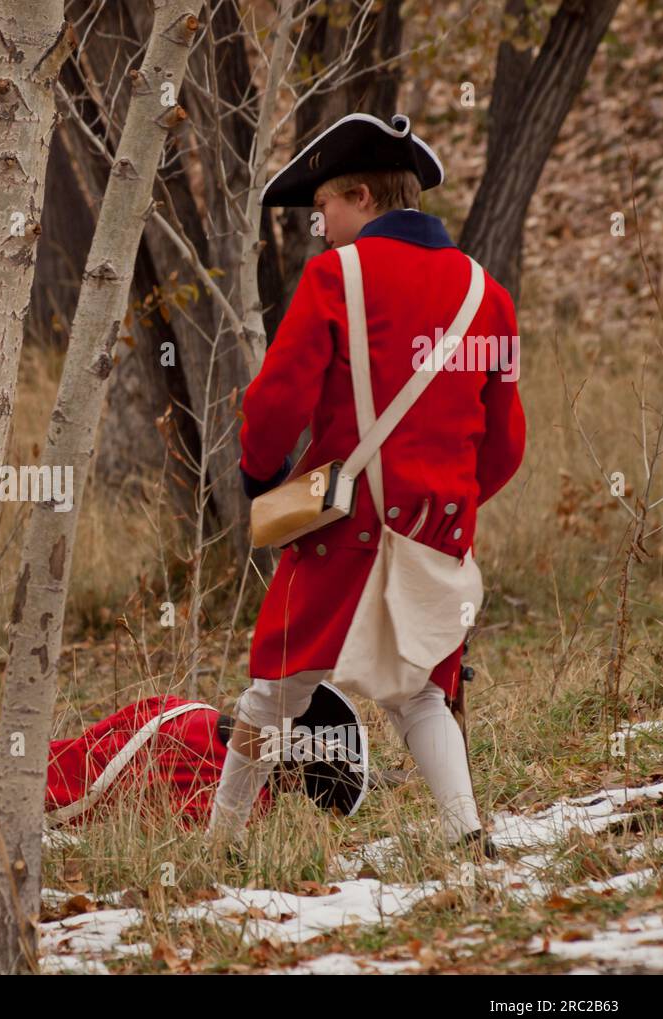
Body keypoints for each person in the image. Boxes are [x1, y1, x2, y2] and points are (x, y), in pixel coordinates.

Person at [207, 114, 526, 860]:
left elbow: (274, 402)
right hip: (438, 524)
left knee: (273, 689)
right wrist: (450, 501)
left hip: (343, 515)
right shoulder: (490, 294)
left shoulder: (335, 278)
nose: (321, 231)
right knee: (420, 691)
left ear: (361, 194)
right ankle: (467, 834)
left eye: (325, 212)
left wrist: (263, 478)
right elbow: (507, 441)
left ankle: (218, 847)